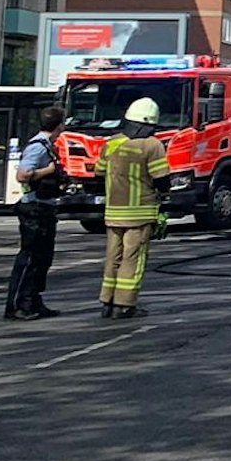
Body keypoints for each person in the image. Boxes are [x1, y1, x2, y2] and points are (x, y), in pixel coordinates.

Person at [97, 97, 174, 319]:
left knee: (113, 257)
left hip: (113, 212)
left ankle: (107, 302)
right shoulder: (152, 145)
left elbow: (99, 172)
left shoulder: (111, 143)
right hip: (140, 213)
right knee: (134, 259)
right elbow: (162, 180)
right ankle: (125, 304)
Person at [5, 107, 67, 321]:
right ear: (59, 125)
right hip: (34, 209)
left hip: (44, 207)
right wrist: (47, 171)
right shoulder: (38, 147)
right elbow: (23, 175)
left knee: (43, 258)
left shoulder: (47, 146)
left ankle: (33, 301)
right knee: (29, 258)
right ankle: (17, 305)